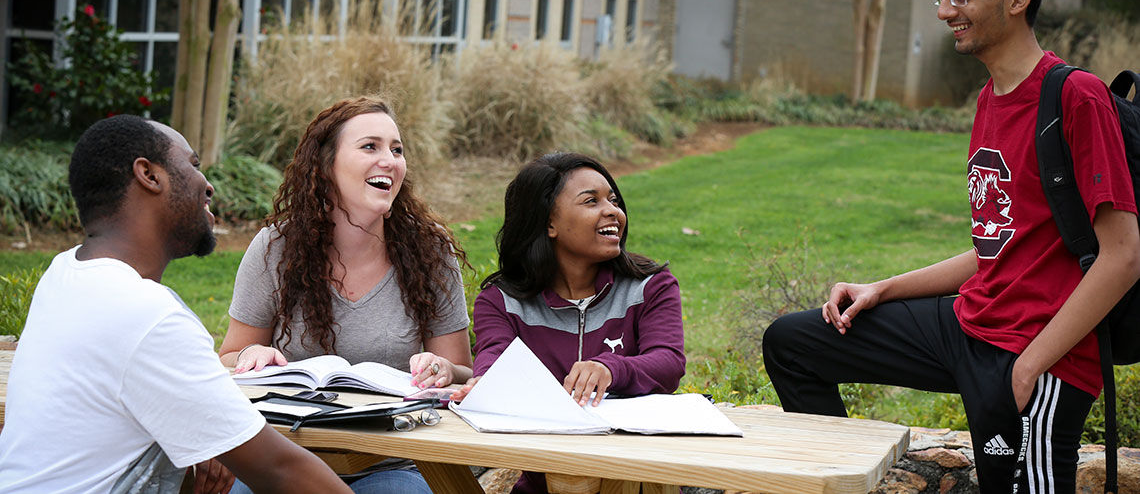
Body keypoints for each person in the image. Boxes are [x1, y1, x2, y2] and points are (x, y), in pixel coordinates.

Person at [762, 0, 1140, 493]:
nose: (945, 10)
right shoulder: (991, 96)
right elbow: (999, 243)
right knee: (794, 344)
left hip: (1038, 355)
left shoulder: (1075, 96)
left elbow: (1122, 255)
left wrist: (1031, 366)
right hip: (970, 323)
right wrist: (881, 289)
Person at [0, 115, 351, 494]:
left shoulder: (67, 272)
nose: (208, 184)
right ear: (149, 175)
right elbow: (279, 470)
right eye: (194, 165)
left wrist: (209, 433)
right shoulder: (145, 314)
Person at [217, 96, 471, 494]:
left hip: (395, 463)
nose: (389, 160)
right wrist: (251, 357)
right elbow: (230, 360)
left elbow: (461, 372)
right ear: (325, 165)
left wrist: (443, 370)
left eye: (397, 149)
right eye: (370, 146)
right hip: (286, 460)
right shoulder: (274, 248)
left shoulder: (431, 251)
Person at [452, 152, 686, 494]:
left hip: (636, 480)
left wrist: (609, 369)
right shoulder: (502, 301)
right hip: (544, 483)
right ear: (549, 223)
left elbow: (668, 362)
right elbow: (495, 359)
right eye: (591, 201)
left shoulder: (650, 286)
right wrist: (485, 384)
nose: (613, 211)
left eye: (613, 199)